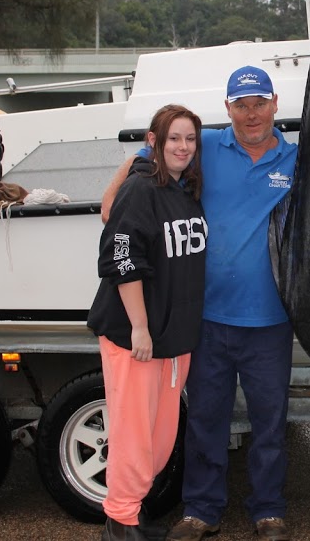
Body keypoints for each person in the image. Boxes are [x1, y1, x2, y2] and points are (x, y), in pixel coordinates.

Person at [102, 66, 297, 541]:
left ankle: (268, 509)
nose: (251, 114)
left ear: (275, 104)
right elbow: (140, 162)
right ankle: (202, 510)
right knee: (206, 421)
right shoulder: (204, 145)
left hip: (271, 320)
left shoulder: (297, 158)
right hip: (205, 318)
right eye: (241, 105)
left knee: (270, 423)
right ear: (227, 108)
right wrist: (110, 201)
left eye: (259, 103)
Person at [88, 104, 207, 541]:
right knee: (134, 436)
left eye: (190, 139)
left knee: (158, 441)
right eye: (173, 138)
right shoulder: (141, 189)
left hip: (173, 338)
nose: (183, 146)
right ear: (153, 142)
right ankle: (119, 523)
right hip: (136, 337)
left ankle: (131, 514)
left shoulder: (183, 190)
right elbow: (120, 258)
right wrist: (139, 326)